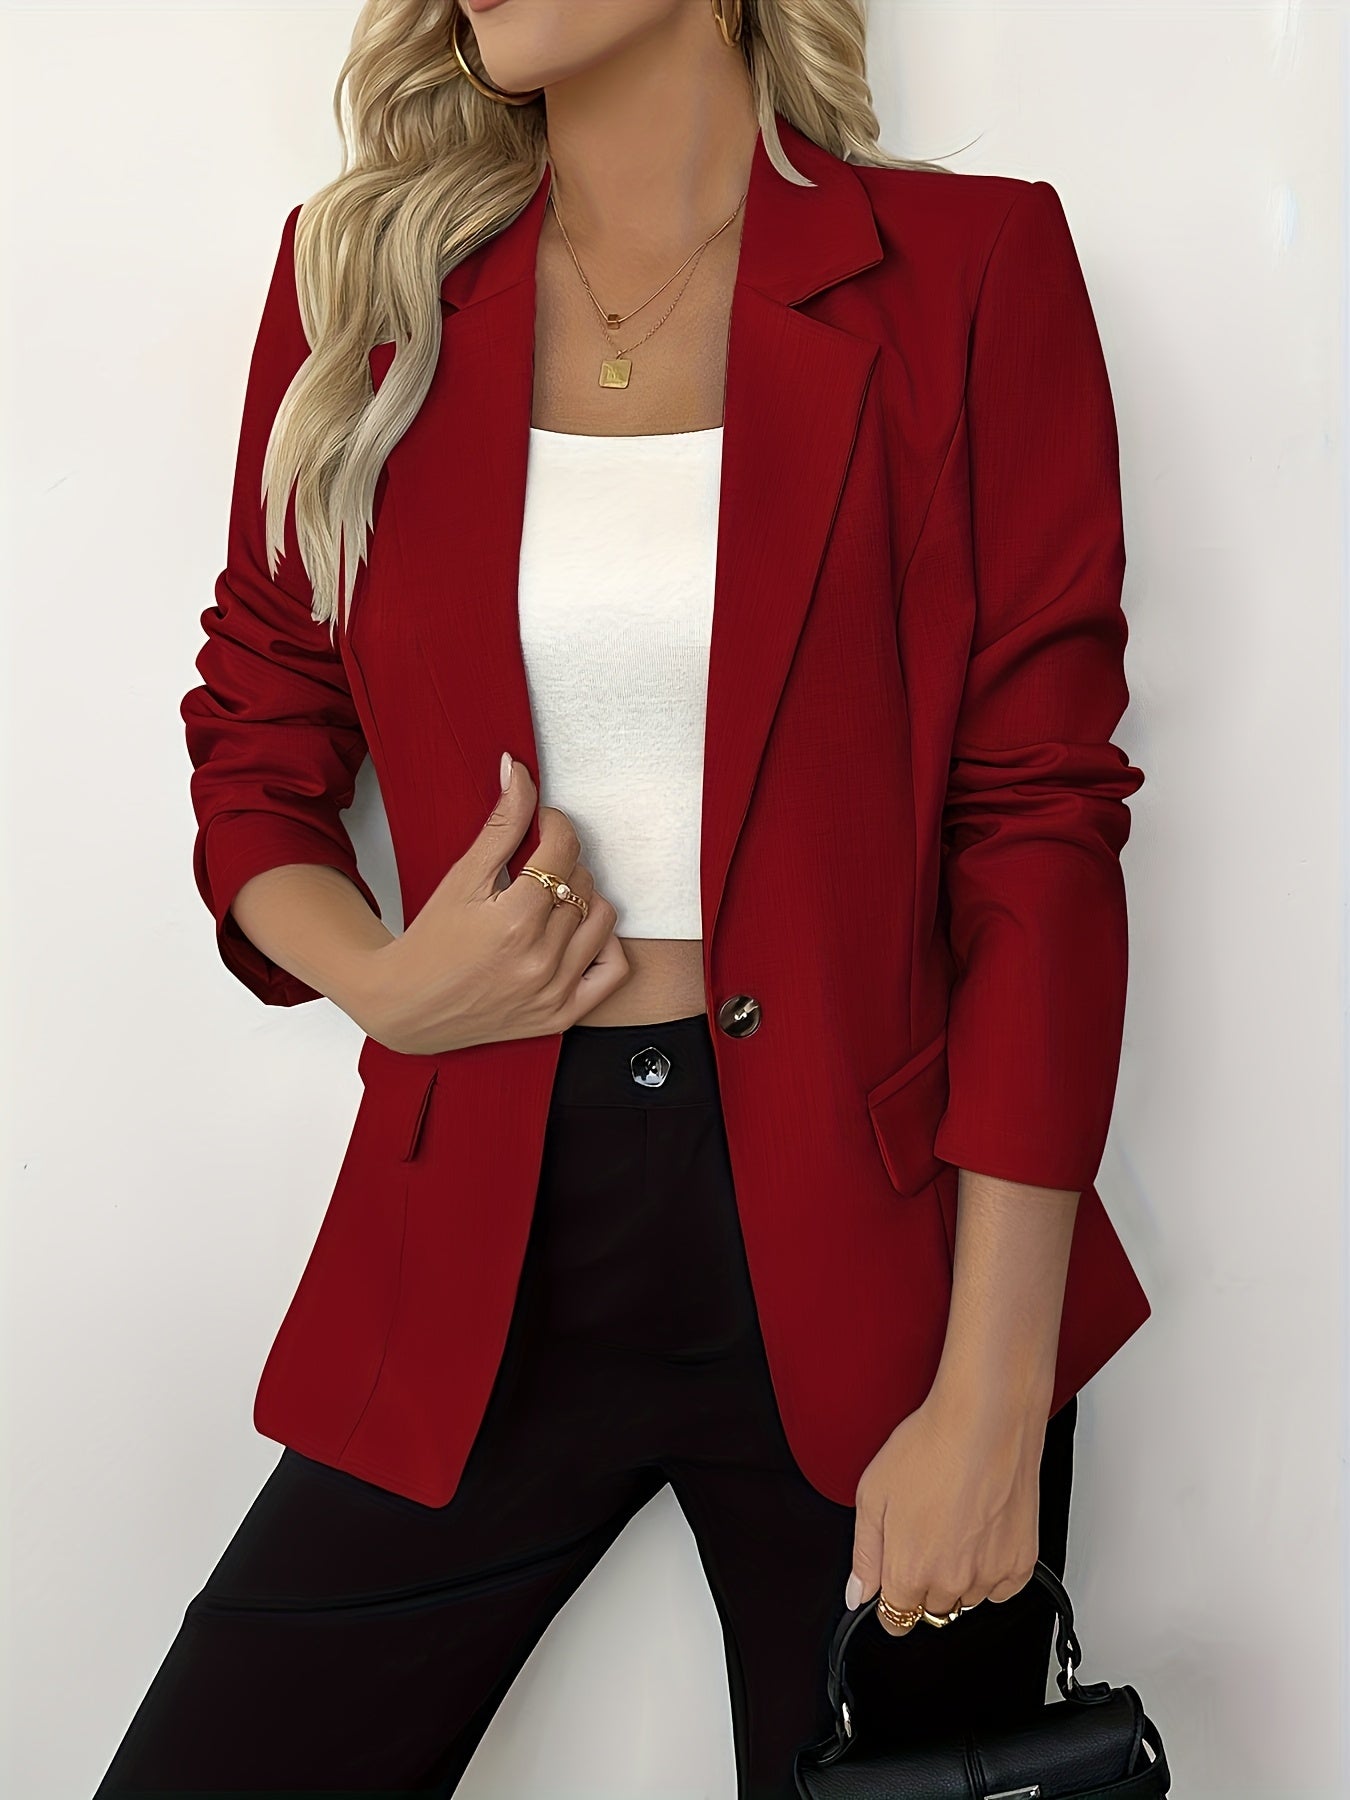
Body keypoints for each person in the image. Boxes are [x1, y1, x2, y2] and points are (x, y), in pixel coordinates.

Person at [94, 0, 1150, 1793]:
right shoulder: (367, 285)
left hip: (880, 1259)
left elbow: (1038, 827)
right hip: (482, 1227)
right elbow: (256, 729)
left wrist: (990, 1397)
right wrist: (384, 981)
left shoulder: (969, 269)